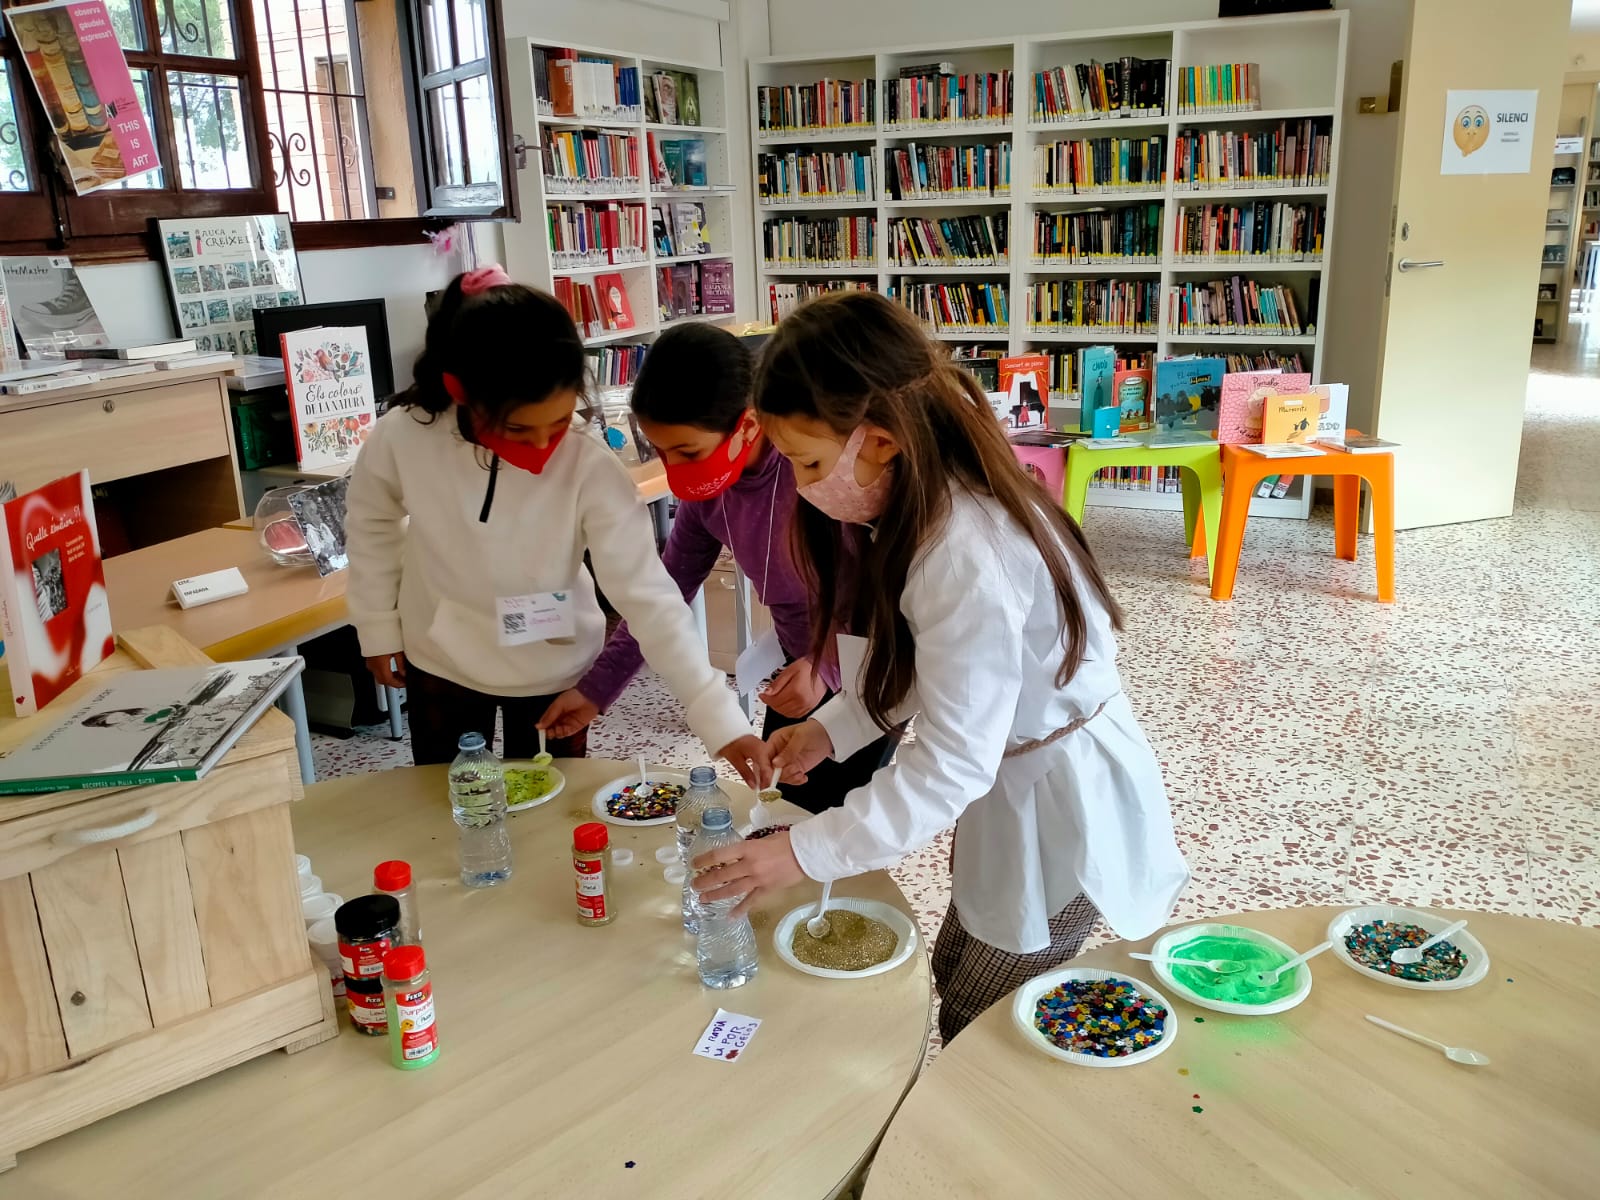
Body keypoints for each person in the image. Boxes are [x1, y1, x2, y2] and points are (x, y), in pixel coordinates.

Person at [691, 292, 1188, 1041]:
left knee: (988, 1017)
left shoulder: (963, 550)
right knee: (961, 965)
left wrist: (800, 853)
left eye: (810, 461)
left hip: (1060, 797)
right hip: (1015, 776)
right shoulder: (927, 508)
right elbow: (930, 665)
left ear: (881, 440)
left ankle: (971, 1112)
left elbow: (951, 764)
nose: (802, 485)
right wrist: (830, 730)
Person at [345, 266, 770, 785]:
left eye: (560, 423)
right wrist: (376, 627)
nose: (544, 447)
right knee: (445, 800)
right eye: (519, 429)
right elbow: (371, 523)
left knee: (555, 807)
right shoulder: (402, 436)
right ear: (462, 393)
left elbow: (650, 598)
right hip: (441, 662)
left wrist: (717, 717)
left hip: (552, 670)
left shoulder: (588, 464)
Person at [539, 324, 897, 813]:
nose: (674, 469)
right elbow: (659, 599)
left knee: (841, 817)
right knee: (786, 805)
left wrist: (827, 664)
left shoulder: (815, 472)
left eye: (688, 452)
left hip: (870, 662)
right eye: (661, 452)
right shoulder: (710, 495)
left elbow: (886, 593)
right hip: (799, 661)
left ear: (747, 425)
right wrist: (596, 689)